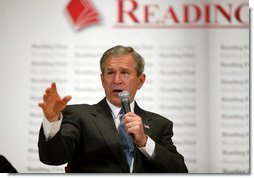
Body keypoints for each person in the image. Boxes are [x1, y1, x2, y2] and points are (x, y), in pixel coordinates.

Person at [37, 45, 188, 173]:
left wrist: (144, 141)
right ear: (102, 80)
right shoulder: (79, 116)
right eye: (110, 73)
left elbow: (180, 171)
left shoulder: (160, 124)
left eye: (124, 73)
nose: (117, 80)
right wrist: (52, 121)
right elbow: (53, 157)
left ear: (140, 81)